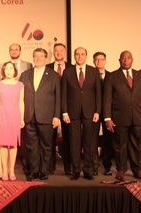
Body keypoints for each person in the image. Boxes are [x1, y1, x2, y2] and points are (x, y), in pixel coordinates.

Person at [103, 51, 141, 181]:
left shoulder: (140, 76)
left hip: (138, 116)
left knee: (138, 145)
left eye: (128, 58)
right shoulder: (112, 76)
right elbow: (107, 98)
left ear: (132, 60)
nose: (126, 60)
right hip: (119, 116)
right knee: (119, 145)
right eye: (123, 58)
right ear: (119, 60)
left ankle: (137, 169)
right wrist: (107, 118)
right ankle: (121, 169)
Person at [19, 48, 60, 180]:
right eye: (35, 56)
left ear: (46, 59)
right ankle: (35, 170)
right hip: (29, 115)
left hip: (47, 116)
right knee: (32, 146)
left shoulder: (53, 75)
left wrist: (56, 116)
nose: (38, 59)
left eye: (41, 57)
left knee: (46, 145)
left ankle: (44, 170)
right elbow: (20, 97)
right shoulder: (25, 74)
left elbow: (58, 97)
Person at [61, 47, 101, 180]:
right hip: (72, 112)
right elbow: (64, 93)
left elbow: (98, 94)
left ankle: (88, 169)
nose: (80, 56)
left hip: (90, 112)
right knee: (74, 142)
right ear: (74, 56)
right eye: (77, 54)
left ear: (86, 56)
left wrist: (97, 111)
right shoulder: (68, 71)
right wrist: (65, 112)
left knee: (89, 142)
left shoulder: (94, 71)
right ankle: (76, 170)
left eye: (82, 54)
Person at [0, 62, 25, 180]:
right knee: (3, 143)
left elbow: (21, 102)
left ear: (14, 71)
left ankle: (12, 170)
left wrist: (22, 117)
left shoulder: (20, 85)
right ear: (3, 71)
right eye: (6, 69)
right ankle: (4, 170)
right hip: (2, 114)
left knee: (13, 144)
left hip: (14, 114)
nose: (8, 71)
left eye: (11, 68)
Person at [47, 43, 73, 175]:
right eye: (56, 51)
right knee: (50, 139)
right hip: (51, 108)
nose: (58, 53)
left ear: (65, 52)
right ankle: (50, 167)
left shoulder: (72, 68)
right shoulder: (47, 68)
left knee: (68, 139)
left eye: (61, 50)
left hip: (68, 108)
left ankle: (68, 167)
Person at [93, 51, 112, 176]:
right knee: (92, 140)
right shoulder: (89, 74)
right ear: (94, 61)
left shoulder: (112, 76)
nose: (99, 62)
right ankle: (94, 166)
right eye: (97, 60)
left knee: (108, 140)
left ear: (105, 61)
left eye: (102, 59)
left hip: (108, 113)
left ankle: (107, 166)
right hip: (93, 112)